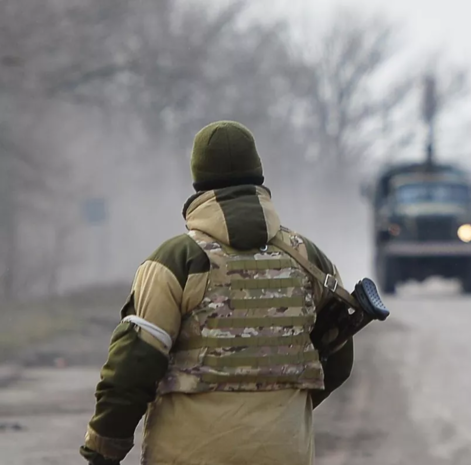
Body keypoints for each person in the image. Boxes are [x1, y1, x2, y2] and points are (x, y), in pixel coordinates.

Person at [79, 120, 354, 465]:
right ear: (258, 174)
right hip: (284, 452)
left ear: (197, 180)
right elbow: (339, 362)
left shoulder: (175, 262)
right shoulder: (309, 260)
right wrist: (277, 412)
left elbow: (133, 367)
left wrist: (103, 450)